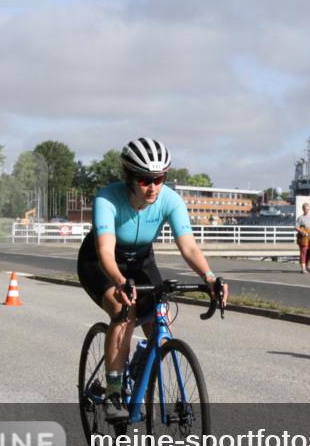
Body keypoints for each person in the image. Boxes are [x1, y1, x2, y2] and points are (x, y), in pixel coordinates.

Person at [77, 137, 228, 422]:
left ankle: (139, 368)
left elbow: (189, 247)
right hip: (101, 262)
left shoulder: (169, 199)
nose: (153, 186)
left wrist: (209, 277)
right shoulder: (107, 199)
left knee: (160, 318)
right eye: (145, 179)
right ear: (129, 178)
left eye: (159, 178)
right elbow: (106, 252)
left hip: (142, 260)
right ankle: (113, 392)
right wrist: (120, 281)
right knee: (125, 312)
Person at [295, 202, 310, 273]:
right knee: (304, 251)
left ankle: (309, 265)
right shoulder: (300, 218)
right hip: (304, 237)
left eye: (308, 209)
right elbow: (296, 227)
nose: (307, 210)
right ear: (303, 209)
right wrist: (302, 232)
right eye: (306, 209)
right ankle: (303, 268)